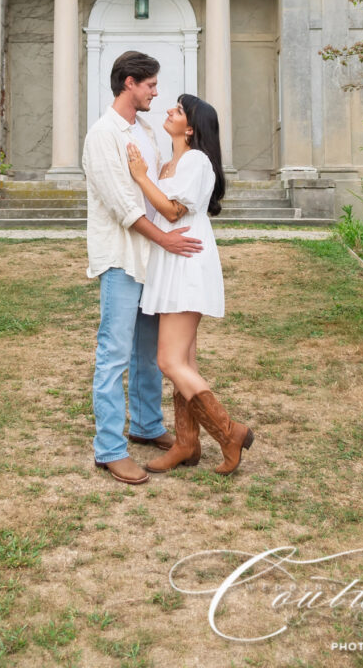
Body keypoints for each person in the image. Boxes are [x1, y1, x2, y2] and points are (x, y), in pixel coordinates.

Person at [82, 52, 204, 486]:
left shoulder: (146, 131)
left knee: (149, 354)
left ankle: (147, 426)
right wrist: (167, 239)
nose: (156, 92)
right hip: (121, 257)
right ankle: (110, 449)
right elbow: (122, 205)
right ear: (130, 83)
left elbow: (159, 191)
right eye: (150, 85)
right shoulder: (102, 135)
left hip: (154, 261)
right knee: (114, 354)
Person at [126, 94, 254, 476]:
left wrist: (139, 176)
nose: (168, 110)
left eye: (178, 110)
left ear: (192, 127)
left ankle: (229, 432)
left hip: (186, 263)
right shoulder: (169, 164)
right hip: (170, 263)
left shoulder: (197, 161)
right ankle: (186, 443)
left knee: (168, 360)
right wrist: (148, 175)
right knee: (184, 362)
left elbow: (172, 210)